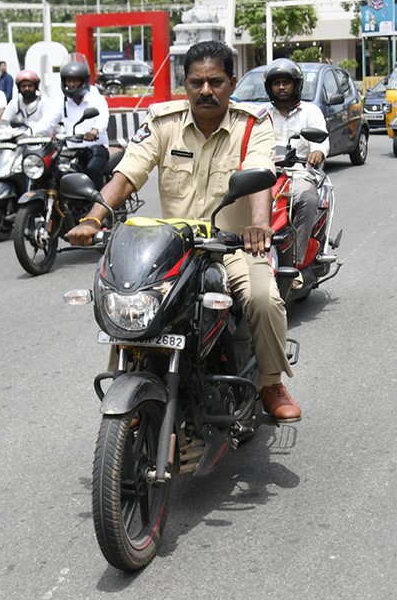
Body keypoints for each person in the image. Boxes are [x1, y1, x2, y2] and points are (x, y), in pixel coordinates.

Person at [65, 40, 302, 423]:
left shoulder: (252, 125)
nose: (205, 90)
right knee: (129, 297)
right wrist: (94, 217)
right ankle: (130, 376)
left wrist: (258, 224)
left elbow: (260, 176)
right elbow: (128, 174)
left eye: (216, 81)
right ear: (185, 84)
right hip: (174, 246)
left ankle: (271, 381)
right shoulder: (163, 123)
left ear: (232, 82)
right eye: (196, 82)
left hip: (233, 245)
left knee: (263, 297)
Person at [263, 57, 327, 288]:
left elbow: (321, 142)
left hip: (298, 173)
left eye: (286, 82)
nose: (281, 87)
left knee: (307, 197)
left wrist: (317, 153)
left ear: (296, 85)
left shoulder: (310, 112)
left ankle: (298, 265)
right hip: (267, 175)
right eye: (276, 82)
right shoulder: (262, 115)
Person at [31, 59, 110, 190]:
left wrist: (95, 131)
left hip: (95, 146)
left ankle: (99, 204)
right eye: (69, 80)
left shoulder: (95, 97)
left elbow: (103, 117)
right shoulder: (62, 100)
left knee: (92, 168)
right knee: (53, 170)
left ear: (83, 81)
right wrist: (27, 133)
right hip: (71, 150)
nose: (71, 84)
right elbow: (48, 121)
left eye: (75, 80)